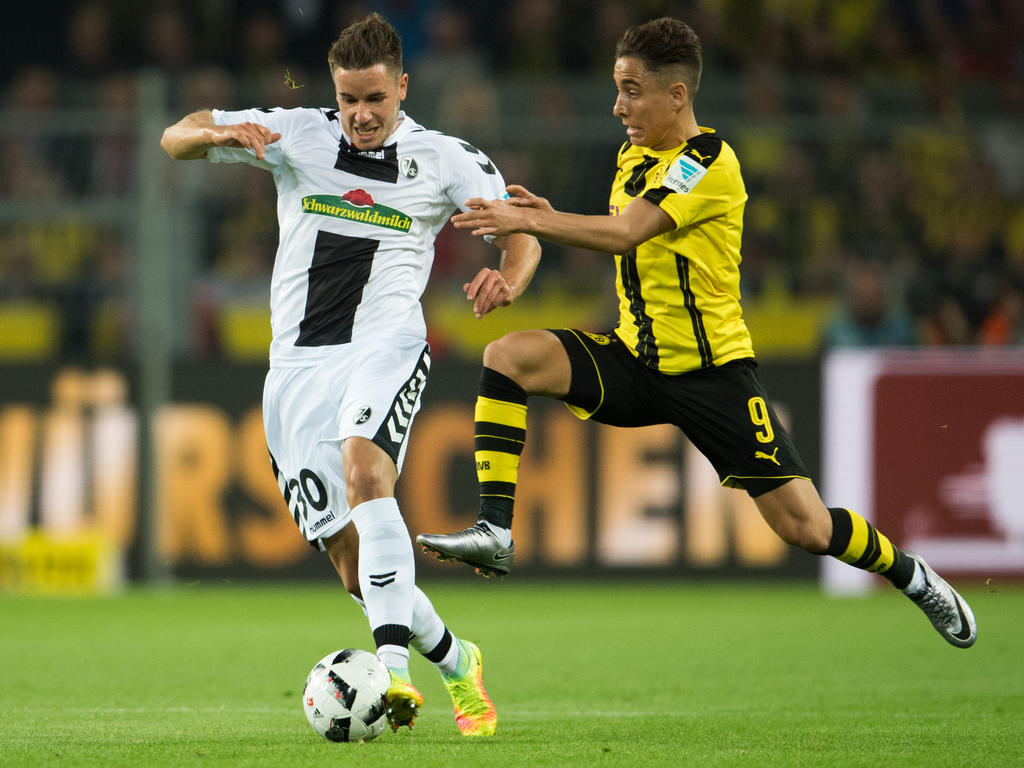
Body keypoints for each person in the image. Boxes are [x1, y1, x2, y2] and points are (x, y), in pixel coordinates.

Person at [417, 17, 977, 650]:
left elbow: (629, 232)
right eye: (616, 88)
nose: (617, 106)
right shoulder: (636, 154)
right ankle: (495, 529)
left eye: (632, 90)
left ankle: (913, 576)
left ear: (677, 95)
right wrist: (547, 218)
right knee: (509, 356)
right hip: (635, 359)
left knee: (807, 528)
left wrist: (531, 223)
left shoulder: (706, 162)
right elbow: (630, 241)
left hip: (713, 378)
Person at [161, 13, 541, 734]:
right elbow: (174, 135)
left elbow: (519, 230)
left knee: (369, 472)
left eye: (375, 98)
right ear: (334, 94)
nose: (362, 115)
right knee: (348, 561)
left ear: (402, 86)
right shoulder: (299, 134)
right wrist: (216, 136)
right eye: (349, 100)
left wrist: (510, 278)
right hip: (297, 370)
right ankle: (459, 662)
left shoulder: (444, 158)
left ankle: (394, 675)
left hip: (386, 346)